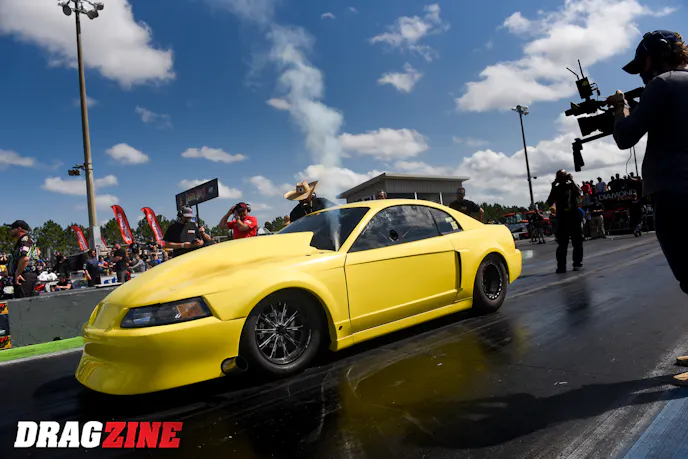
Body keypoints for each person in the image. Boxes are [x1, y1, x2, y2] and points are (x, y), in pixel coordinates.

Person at [546, 170, 583, 273]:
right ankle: (561, 266)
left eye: (563, 176)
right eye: (560, 177)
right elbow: (549, 202)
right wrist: (553, 187)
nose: (562, 179)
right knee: (562, 244)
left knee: (577, 242)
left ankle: (577, 263)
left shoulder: (572, 186)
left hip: (574, 216)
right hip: (562, 218)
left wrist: (572, 180)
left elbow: (579, 193)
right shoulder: (556, 189)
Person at [7, 220, 39, 298]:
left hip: (24, 276)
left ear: (19, 229)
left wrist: (18, 273)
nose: (10, 231)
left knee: (22, 302)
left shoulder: (24, 240)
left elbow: (25, 258)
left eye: (12, 228)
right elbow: (38, 252)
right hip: (26, 275)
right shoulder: (27, 240)